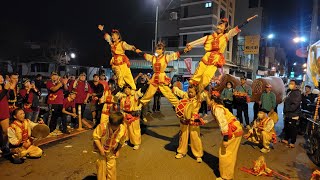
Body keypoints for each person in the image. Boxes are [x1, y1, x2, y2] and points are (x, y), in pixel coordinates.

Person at [186, 15, 257, 92]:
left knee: (206, 76)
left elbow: (234, 30)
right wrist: (190, 45)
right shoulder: (209, 37)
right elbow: (199, 41)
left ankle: (198, 91)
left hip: (215, 59)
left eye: (221, 26)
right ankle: (191, 89)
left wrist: (245, 21)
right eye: (218, 25)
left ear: (225, 28)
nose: (219, 27)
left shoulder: (226, 36)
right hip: (206, 57)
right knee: (197, 74)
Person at [136, 41, 191, 108]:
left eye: (159, 49)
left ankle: (178, 105)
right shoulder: (153, 58)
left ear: (162, 50)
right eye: (156, 49)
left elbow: (175, 55)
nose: (157, 50)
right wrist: (138, 51)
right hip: (154, 77)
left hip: (162, 77)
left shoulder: (166, 57)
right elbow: (145, 55)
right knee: (149, 93)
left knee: (168, 93)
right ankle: (139, 106)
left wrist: (185, 50)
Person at [207, 91, 243, 180]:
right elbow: (209, 118)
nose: (206, 101)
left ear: (212, 100)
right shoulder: (215, 107)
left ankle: (226, 176)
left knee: (225, 152)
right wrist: (198, 121)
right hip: (235, 129)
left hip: (232, 130)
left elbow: (223, 124)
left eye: (207, 99)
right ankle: (225, 171)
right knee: (228, 153)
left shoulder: (217, 109)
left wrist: (226, 139)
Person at [172, 85, 206, 163]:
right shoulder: (185, 95)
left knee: (195, 137)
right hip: (184, 119)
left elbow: (205, 95)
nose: (189, 93)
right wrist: (174, 87)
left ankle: (198, 155)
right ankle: (181, 151)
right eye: (189, 91)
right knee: (183, 135)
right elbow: (178, 92)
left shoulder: (198, 98)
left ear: (196, 92)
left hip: (195, 118)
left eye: (191, 92)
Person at [98, 25, 138, 90]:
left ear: (118, 36)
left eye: (114, 35)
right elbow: (107, 37)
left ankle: (133, 91)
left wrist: (135, 50)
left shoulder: (122, 43)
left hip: (123, 63)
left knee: (129, 79)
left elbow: (129, 47)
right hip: (116, 64)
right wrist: (103, 30)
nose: (112, 36)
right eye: (112, 35)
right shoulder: (112, 43)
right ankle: (120, 90)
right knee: (120, 79)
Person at [93, 112, 127, 180]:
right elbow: (96, 138)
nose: (113, 128)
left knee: (112, 167)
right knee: (101, 166)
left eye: (116, 126)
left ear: (120, 124)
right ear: (109, 122)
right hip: (101, 149)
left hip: (112, 150)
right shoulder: (102, 127)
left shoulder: (123, 129)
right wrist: (101, 149)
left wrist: (117, 150)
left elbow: (121, 141)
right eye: (111, 125)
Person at [116, 84, 143, 150]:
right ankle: (125, 140)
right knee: (125, 129)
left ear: (131, 89)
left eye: (128, 89)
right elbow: (115, 93)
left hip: (133, 115)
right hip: (125, 115)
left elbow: (142, 90)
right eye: (125, 89)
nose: (127, 90)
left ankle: (136, 143)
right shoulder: (122, 96)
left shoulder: (135, 95)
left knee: (134, 130)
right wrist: (120, 86)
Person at [282, 80, 301, 148]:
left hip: (293, 114)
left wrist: (287, 109)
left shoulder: (297, 93)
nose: (290, 84)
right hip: (288, 113)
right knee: (287, 127)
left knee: (293, 128)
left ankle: (292, 142)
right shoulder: (290, 91)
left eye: (292, 83)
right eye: (290, 83)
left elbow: (295, 104)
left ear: (296, 85)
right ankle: (286, 139)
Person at [0, 74, 11, 156]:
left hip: (4, 111)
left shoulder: (5, 88)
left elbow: (11, 97)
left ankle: (5, 146)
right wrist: (5, 90)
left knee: (5, 131)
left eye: (1, 77)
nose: (0, 79)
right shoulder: (4, 89)